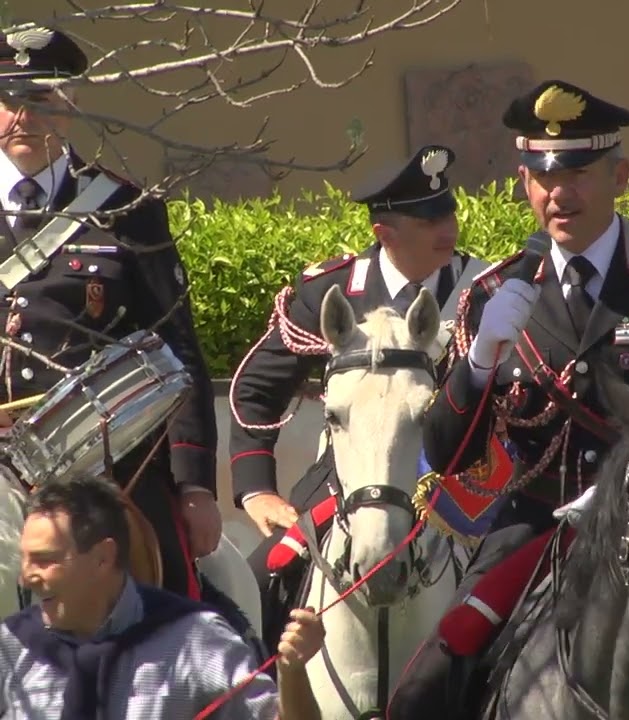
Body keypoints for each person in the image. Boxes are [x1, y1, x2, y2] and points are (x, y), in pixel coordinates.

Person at [387, 79, 629, 719]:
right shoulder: (494, 293)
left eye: (579, 172)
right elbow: (444, 452)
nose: (559, 192)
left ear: (622, 176)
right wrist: (477, 363)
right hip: (537, 522)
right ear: (525, 184)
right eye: (541, 175)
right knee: (428, 684)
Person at [0, 28, 220, 603]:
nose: (23, 117)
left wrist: (195, 485)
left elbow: (177, 346)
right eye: (9, 100)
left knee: (170, 590)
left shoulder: (127, 210)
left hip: (103, 458)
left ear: (69, 105)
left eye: (41, 100)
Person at [228, 144, 480, 644]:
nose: (446, 228)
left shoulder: (486, 288)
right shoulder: (331, 292)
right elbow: (255, 390)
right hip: (345, 487)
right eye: (426, 219)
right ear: (384, 233)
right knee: (255, 591)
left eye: (447, 211)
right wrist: (255, 488)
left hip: (462, 492)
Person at [0, 474, 325, 719]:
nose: (27, 577)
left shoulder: (194, 640)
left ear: (102, 558)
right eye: (27, 559)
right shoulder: (10, 645)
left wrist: (292, 673)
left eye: (46, 560)